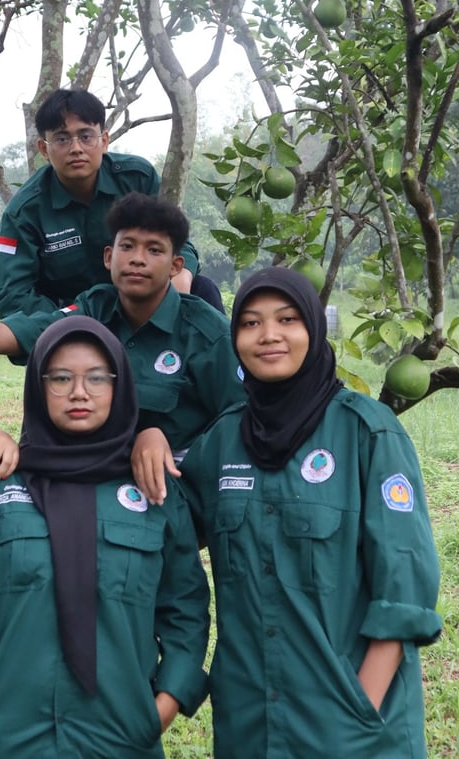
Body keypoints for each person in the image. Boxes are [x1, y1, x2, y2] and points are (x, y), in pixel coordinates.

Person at [139, 266, 443, 757]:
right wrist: (146, 436)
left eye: (287, 319)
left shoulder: (367, 431)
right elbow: (163, 528)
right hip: (250, 724)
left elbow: (403, 590)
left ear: (314, 329)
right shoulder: (223, 439)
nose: (269, 335)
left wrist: (360, 711)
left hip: (352, 727)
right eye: (251, 323)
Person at [0, 316, 210, 758]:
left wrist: (159, 710)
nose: (79, 392)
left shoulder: (154, 491)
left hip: (118, 738)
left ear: (120, 387)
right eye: (61, 378)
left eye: (97, 378)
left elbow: (186, 609)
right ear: (38, 385)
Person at [0, 194, 244, 476]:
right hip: (90, 475)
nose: (137, 259)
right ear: (108, 257)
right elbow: (2, 336)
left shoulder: (206, 334)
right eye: (127, 246)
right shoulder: (95, 308)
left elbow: (239, 427)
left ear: (176, 265)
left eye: (154, 250)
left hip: (172, 485)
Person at [0, 88, 224, 317]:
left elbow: (178, 243)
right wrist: (71, 322)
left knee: (203, 289)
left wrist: (181, 279)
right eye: (62, 139)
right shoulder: (25, 211)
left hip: (144, 302)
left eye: (86, 137)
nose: (76, 148)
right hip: (72, 319)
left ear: (105, 140)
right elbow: (10, 294)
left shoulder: (137, 179)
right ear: (43, 149)